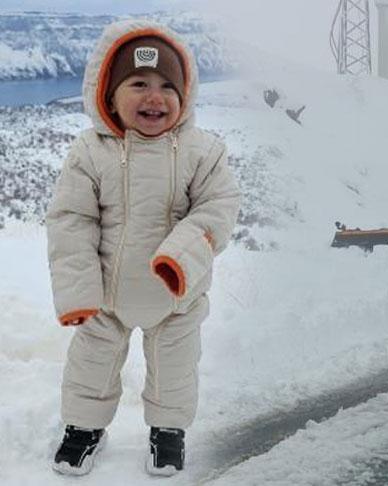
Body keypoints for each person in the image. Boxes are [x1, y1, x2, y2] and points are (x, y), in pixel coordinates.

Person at [46, 19, 241, 476]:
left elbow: (218, 207)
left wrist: (182, 255)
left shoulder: (203, 151)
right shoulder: (90, 152)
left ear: (185, 96)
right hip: (106, 299)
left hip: (177, 294)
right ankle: (84, 427)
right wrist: (78, 292)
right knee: (90, 365)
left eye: (167, 86)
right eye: (138, 83)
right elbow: (71, 221)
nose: (155, 97)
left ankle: (168, 431)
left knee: (175, 369)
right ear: (108, 94)